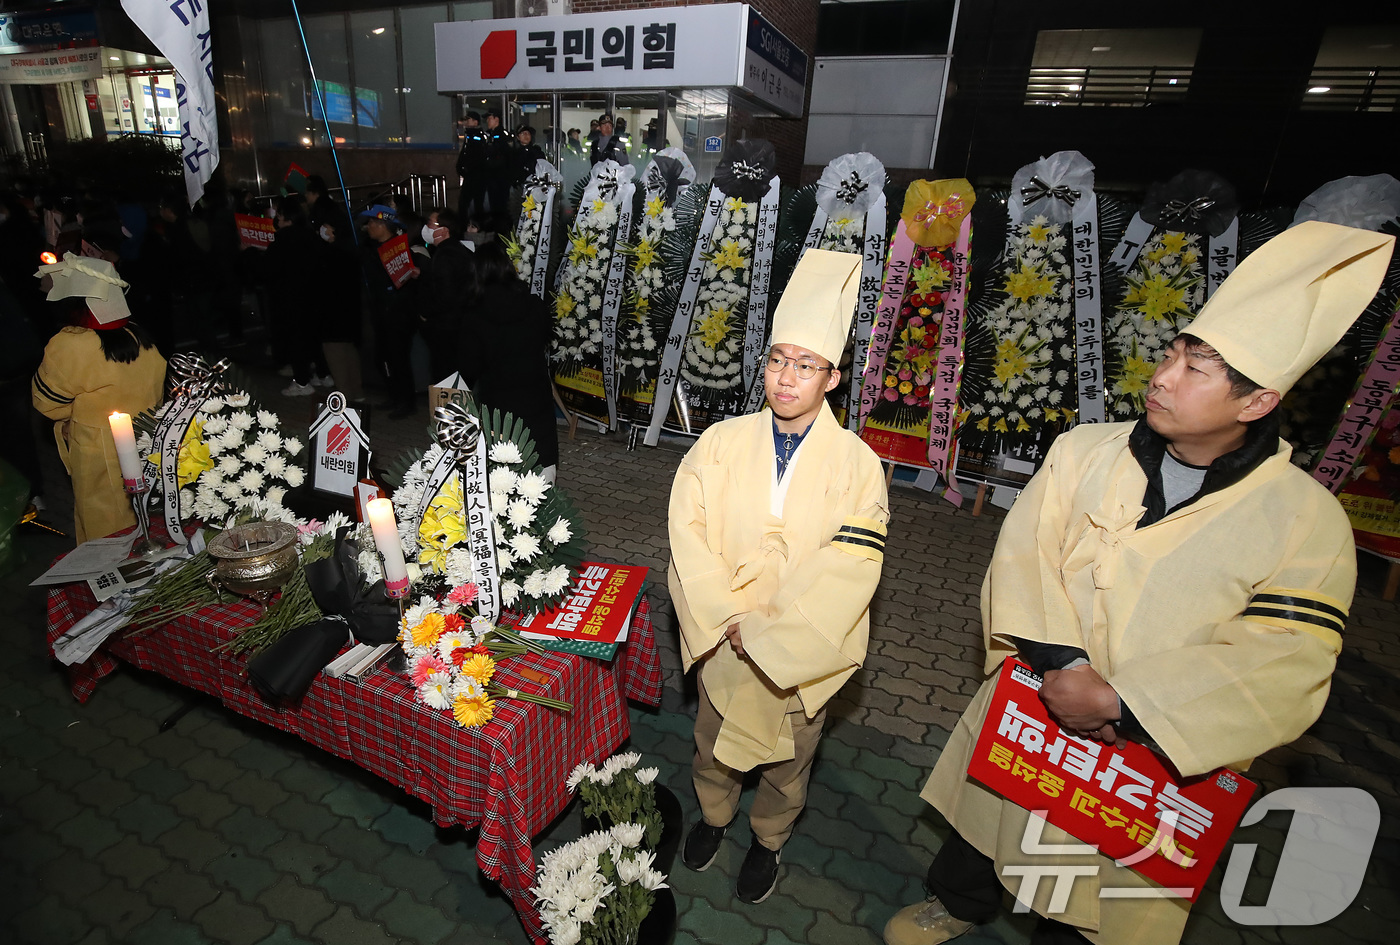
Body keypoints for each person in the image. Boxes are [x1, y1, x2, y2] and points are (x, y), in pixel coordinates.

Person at [883, 221, 1395, 945]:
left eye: (1198, 369)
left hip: (1153, 751)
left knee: (1096, 887)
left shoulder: (1305, 519)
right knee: (993, 815)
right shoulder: (1085, 450)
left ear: (1255, 403)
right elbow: (1024, 554)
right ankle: (959, 902)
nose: (1163, 375)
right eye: (1175, 351)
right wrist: (1064, 667)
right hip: (1040, 693)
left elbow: (1287, 659)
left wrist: (1124, 701)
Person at [668, 249, 889, 904]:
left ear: (833, 377)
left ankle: (769, 837)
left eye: (806, 364)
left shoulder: (860, 465)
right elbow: (689, 534)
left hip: (801, 650)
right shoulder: (721, 442)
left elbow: (850, 570)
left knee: (789, 761)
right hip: (724, 636)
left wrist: (769, 631)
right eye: (777, 359)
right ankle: (713, 815)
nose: (786, 377)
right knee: (712, 743)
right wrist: (726, 618)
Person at [30, 254, 167, 544]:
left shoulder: (69, 344)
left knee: (104, 527)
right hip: (148, 442)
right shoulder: (139, 335)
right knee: (147, 520)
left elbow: (47, 403)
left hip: (98, 453)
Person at [454, 237, 558, 478]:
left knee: (503, 478)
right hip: (536, 399)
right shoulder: (534, 305)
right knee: (541, 473)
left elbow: (468, 367)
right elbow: (546, 339)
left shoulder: (474, 316)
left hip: (498, 407)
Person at [262, 195, 330, 396]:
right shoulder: (312, 237)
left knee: (296, 340)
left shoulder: (281, 241)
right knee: (315, 338)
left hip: (290, 299)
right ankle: (323, 374)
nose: (278, 220)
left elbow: (269, 272)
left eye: (280, 216)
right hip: (314, 297)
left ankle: (302, 381)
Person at [360, 204, 418, 419]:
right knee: (382, 358)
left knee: (398, 359)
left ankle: (406, 401)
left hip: (398, 314)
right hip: (380, 312)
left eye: (373, 223)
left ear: (384, 225)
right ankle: (394, 395)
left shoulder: (400, 250)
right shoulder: (369, 250)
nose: (369, 227)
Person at [419, 207, 476, 381]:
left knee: (445, 374)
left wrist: (426, 312)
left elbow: (445, 293)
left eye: (430, 223)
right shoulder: (460, 250)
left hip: (446, 326)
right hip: (459, 323)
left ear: (444, 230)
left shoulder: (445, 254)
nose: (427, 227)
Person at [455, 111, 489, 221]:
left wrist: (468, 170)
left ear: (475, 122)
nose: (466, 122)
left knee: (471, 203)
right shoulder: (470, 135)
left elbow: (475, 157)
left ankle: (475, 226)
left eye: (468, 120)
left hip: (476, 176)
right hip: (471, 175)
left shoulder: (477, 136)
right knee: (468, 203)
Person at [482, 109, 512, 219]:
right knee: (493, 204)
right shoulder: (489, 135)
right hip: (491, 176)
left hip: (500, 176)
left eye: (489, 119)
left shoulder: (502, 135)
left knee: (500, 206)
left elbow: (503, 154)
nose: (487, 121)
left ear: (496, 119)